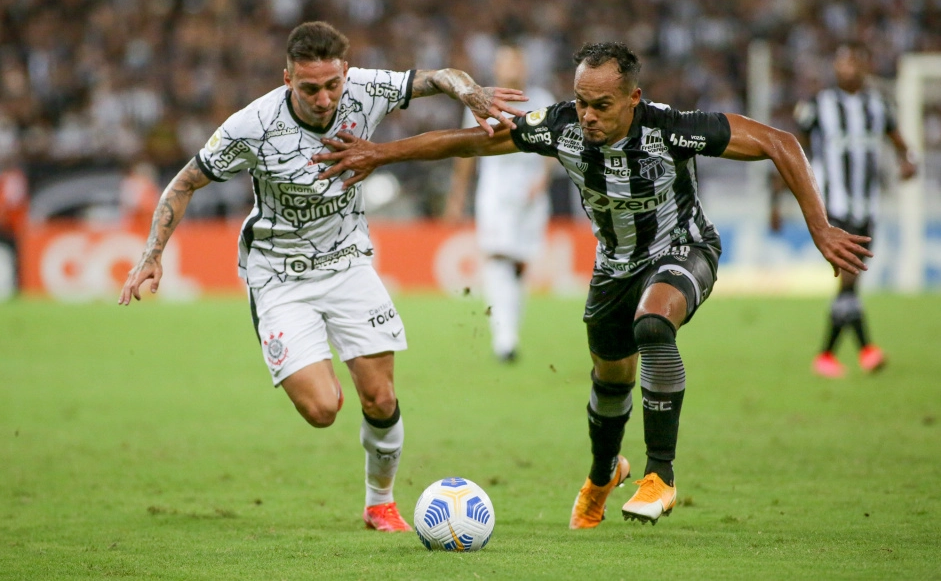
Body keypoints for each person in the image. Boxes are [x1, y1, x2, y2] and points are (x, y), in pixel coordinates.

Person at [309, 41, 871, 529]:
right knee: (609, 385)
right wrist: (380, 153)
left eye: (601, 105)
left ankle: (660, 475)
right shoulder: (561, 128)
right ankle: (604, 475)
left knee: (654, 323)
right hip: (614, 267)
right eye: (581, 102)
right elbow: (470, 143)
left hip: (684, 250)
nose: (588, 116)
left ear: (632, 98)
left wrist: (819, 228)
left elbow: (780, 142)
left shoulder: (671, 128)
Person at [118, 21, 527, 532]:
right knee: (323, 408)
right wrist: (152, 253)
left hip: (348, 262)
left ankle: (380, 503)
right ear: (286, 78)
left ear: (345, 73)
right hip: (278, 274)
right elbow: (185, 181)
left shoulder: (365, 90)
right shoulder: (253, 125)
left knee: (380, 398)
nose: (324, 97)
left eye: (332, 84)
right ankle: (304, 353)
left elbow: (441, 76)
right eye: (310, 87)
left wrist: (472, 92)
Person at [774, 42, 917, 378]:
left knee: (849, 287)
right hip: (833, 208)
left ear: (864, 65)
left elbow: (901, 144)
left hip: (868, 208)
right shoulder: (818, 105)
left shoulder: (878, 105)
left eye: (853, 62)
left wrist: (908, 163)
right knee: (850, 280)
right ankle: (867, 350)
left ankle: (827, 355)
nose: (846, 69)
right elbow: (790, 151)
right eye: (841, 63)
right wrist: (776, 201)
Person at [443, 44, 557, 362]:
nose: (512, 68)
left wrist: (543, 179)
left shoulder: (543, 99)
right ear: (496, 68)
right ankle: (504, 339)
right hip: (495, 193)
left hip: (531, 195)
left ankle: (510, 330)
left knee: (519, 265)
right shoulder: (479, 102)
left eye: (517, 62)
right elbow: (465, 154)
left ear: (525, 67)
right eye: (506, 62)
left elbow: (555, 147)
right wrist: (457, 196)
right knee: (497, 257)